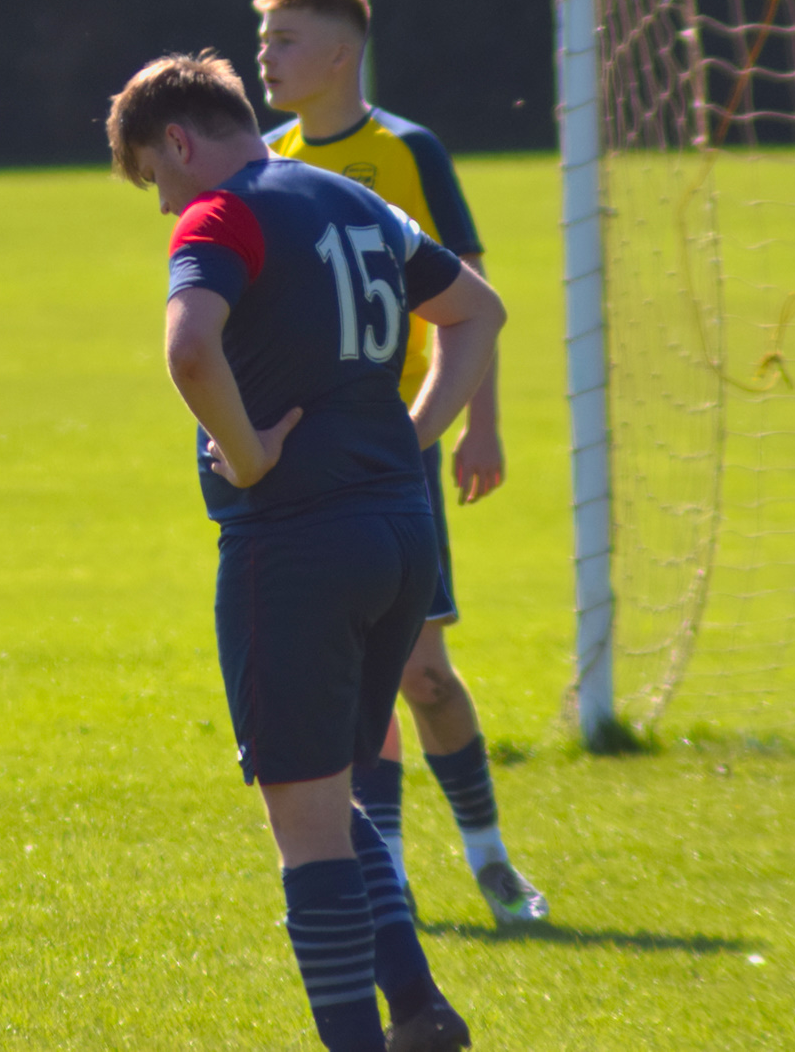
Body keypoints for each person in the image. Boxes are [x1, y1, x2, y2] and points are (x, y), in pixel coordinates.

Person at [108, 52, 505, 1052]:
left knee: (303, 823)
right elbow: (477, 312)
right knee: (330, 793)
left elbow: (188, 348)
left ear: (179, 143)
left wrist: (245, 457)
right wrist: (412, 434)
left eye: (155, 180)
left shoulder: (220, 215)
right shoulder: (354, 200)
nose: (164, 209)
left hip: (295, 544)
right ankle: (415, 1008)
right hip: (398, 534)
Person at [252, 0, 548, 925]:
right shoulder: (266, 159)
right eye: (263, 39)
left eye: (284, 39)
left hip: (400, 437)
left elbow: (470, 297)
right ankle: (389, 877)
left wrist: (474, 424)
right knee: (353, 678)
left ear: (339, 54)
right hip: (309, 451)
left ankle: (490, 852)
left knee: (421, 674)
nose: (266, 55)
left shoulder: (407, 151)